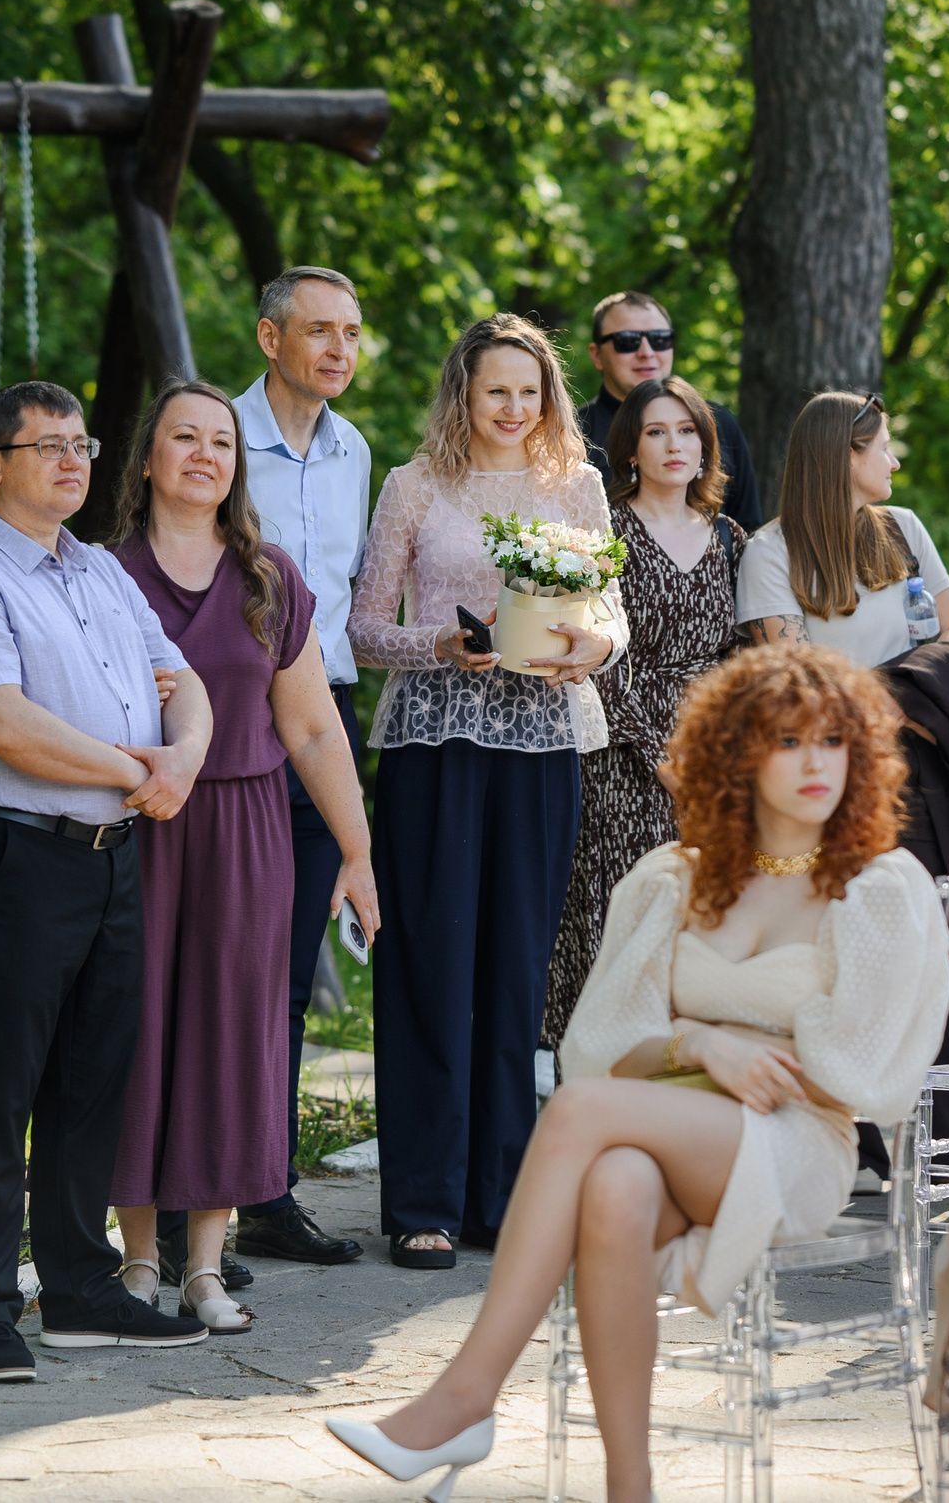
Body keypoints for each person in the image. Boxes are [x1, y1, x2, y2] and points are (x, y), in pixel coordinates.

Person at [323, 643, 949, 1503]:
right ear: (738, 756)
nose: (816, 763)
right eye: (789, 740)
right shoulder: (679, 879)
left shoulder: (876, 886)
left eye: (835, 741)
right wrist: (702, 1042)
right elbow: (606, 1045)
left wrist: (713, 1037)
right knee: (615, 1183)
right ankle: (630, 1486)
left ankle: (466, 1395)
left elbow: (858, 1071)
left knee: (580, 1115)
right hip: (671, 1130)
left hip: (798, 1141)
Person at [0, 381, 215, 1380]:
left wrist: (188, 755)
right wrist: (141, 768)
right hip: (14, 854)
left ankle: (79, 1290)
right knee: (2, 1083)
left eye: (83, 444)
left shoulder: (101, 571)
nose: (74, 461)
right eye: (49, 448)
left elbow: (182, 677)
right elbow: (3, 722)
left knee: (91, 1080)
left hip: (113, 855)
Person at [105, 381, 381, 1334]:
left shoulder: (273, 578)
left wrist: (356, 850)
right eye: (183, 436)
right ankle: (137, 1256)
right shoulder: (101, 574)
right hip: (138, 827)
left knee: (232, 1034)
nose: (204, 454)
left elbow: (312, 731)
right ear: (147, 458)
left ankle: (205, 1266)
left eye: (221, 440)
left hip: (248, 828)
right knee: (136, 1031)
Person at [350, 312, 625, 1269]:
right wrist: (438, 645)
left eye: (530, 390)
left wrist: (591, 647)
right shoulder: (415, 485)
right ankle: (421, 1199)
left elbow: (608, 618)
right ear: (463, 395)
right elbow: (361, 629)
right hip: (434, 743)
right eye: (495, 389)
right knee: (432, 969)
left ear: (549, 397)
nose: (514, 407)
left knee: (517, 973)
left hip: (544, 742)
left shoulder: (579, 485)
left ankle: (500, 1198)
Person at [223, 265, 376, 1274]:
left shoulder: (355, 446)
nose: (338, 349)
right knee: (230, 960)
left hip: (328, 713)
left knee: (287, 967)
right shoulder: (216, 438)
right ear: (269, 336)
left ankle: (265, 1189)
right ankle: (204, 1181)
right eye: (317, 330)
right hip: (237, 716)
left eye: (352, 333)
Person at [542, 375, 747, 1055]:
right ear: (630, 448)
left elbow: (737, 657)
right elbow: (598, 651)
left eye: (687, 430)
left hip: (714, 762)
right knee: (619, 930)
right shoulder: (608, 531)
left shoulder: (729, 535)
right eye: (656, 431)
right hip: (624, 762)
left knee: (703, 932)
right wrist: (663, 757)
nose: (674, 444)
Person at [739, 390, 949, 664]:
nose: (895, 463)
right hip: (835, 707)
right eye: (885, 449)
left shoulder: (903, 527)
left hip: (916, 704)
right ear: (848, 454)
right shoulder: (768, 553)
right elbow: (797, 681)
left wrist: (915, 684)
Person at [574, 290, 763, 531]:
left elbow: (749, 525)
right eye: (627, 341)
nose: (647, 352)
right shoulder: (572, 433)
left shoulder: (718, 422)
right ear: (597, 355)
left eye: (660, 339)